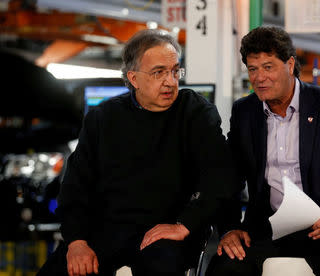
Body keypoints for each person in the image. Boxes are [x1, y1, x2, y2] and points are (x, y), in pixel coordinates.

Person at [38, 29, 237, 276]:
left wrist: (185, 224)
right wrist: (77, 242)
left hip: (166, 234)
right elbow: (75, 188)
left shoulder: (195, 112)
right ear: (133, 78)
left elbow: (220, 177)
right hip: (107, 233)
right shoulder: (102, 118)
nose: (170, 81)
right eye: (158, 73)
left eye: (175, 71)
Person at [206, 26, 320, 276]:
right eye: (253, 69)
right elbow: (229, 177)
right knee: (224, 268)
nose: (259, 78)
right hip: (264, 229)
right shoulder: (245, 112)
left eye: (268, 67)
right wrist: (229, 228)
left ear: (290, 65)